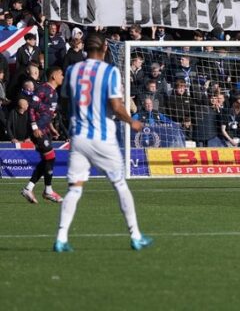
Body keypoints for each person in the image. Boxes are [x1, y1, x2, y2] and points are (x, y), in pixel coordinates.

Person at [53, 34, 152, 252]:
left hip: (78, 137)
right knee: (119, 184)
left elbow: (67, 101)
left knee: (75, 188)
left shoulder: (72, 71)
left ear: (85, 48)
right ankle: (135, 235)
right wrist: (132, 122)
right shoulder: (110, 71)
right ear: (105, 48)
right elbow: (116, 106)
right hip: (102, 137)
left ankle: (61, 238)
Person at [20, 67, 65, 203]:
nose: (63, 76)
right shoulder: (43, 89)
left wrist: (51, 128)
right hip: (37, 129)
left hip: (44, 129)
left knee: (47, 159)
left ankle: (29, 188)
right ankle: (48, 191)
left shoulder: (54, 93)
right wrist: (34, 126)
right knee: (50, 157)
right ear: (53, 75)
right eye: (61, 74)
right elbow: (32, 107)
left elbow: (47, 114)